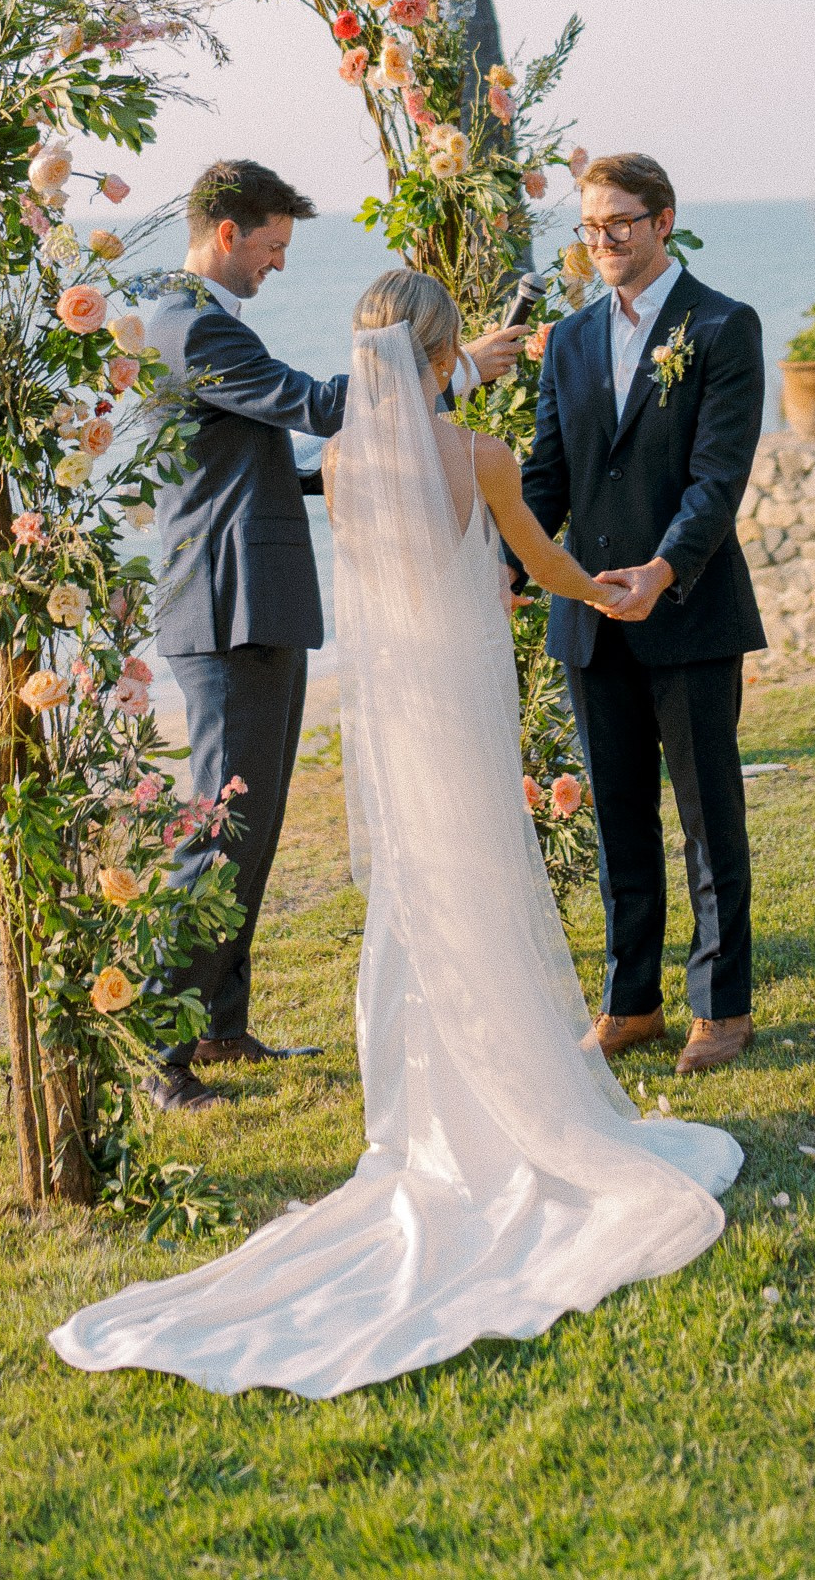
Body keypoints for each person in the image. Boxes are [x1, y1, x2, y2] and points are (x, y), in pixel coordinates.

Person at [50, 272, 741, 1397]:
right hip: (462, 700)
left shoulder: (349, 467)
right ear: (443, 349)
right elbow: (537, 563)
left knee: (422, 893)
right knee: (485, 880)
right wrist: (610, 595)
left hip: (395, 713)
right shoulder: (477, 457)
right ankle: (517, 1100)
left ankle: (430, 1117)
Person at [142, 161, 521, 1111]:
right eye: (272, 247)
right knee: (221, 828)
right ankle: (164, 1048)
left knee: (254, 825)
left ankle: (221, 1026)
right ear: (226, 232)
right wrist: (452, 366)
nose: (276, 267)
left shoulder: (203, 320)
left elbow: (267, 457)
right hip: (227, 607)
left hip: (258, 601)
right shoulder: (189, 326)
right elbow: (311, 405)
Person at [523, 152, 766, 1077]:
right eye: (590, 226)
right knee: (618, 816)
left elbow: (718, 477)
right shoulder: (572, 337)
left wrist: (664, 569)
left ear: (664, 221)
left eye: (621, 222)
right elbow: (547, 474)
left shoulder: (722, 326)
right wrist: (511, 563)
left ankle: (722, 1006)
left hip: (689, 610)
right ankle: (632, 1003)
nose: (605, 241)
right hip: (589, 616)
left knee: (709, 817)